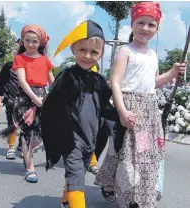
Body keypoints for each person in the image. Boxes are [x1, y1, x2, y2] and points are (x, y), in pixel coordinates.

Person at [95, 2, 187, 208]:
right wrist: (122, 111)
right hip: (128, 107)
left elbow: (154, 83)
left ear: (157, 28)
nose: (145, 28)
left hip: (148, 112)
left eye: (151, 25)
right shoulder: (125, 52)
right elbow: (115, 83)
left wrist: (172, 73)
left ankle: (137, 196)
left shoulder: (153, 55)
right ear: (132, 24)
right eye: (141, 23)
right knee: (122, 151)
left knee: (144, 154)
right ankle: (115, 188)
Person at [41, 20, 118, 208]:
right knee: (76, 176)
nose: (87, 56)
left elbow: (106, 109)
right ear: (73, 50)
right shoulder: (66, 77)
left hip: (90, 139)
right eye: (82, 50)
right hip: (71, 139)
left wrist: (123, 116)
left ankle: (66, 200)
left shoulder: (99, 81)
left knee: (78, 173)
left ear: (100, 55)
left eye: (94, 52)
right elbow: (51, 106)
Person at [0, 24, 54, 183]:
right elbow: (22, 81)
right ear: (22, 41)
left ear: (41, 43)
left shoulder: (45, 60)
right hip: (25, 98)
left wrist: (57, 95)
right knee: (28, 134)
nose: (30, 44)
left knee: (45, 133)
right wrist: (35, 98)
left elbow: (52, 81)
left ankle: (22, 149)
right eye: (27, 40)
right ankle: (30, 167)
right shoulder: (20, 59)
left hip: (43, 97)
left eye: (34, 41)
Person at [0, 40, 21, 160]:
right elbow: (0, 85)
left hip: (27, 102)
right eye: (18, 51)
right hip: (11, 100)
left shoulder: (31, 67)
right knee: (12, 125)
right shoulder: (8, 66)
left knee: (27, 126)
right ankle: (11, 147)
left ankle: (22, 145)